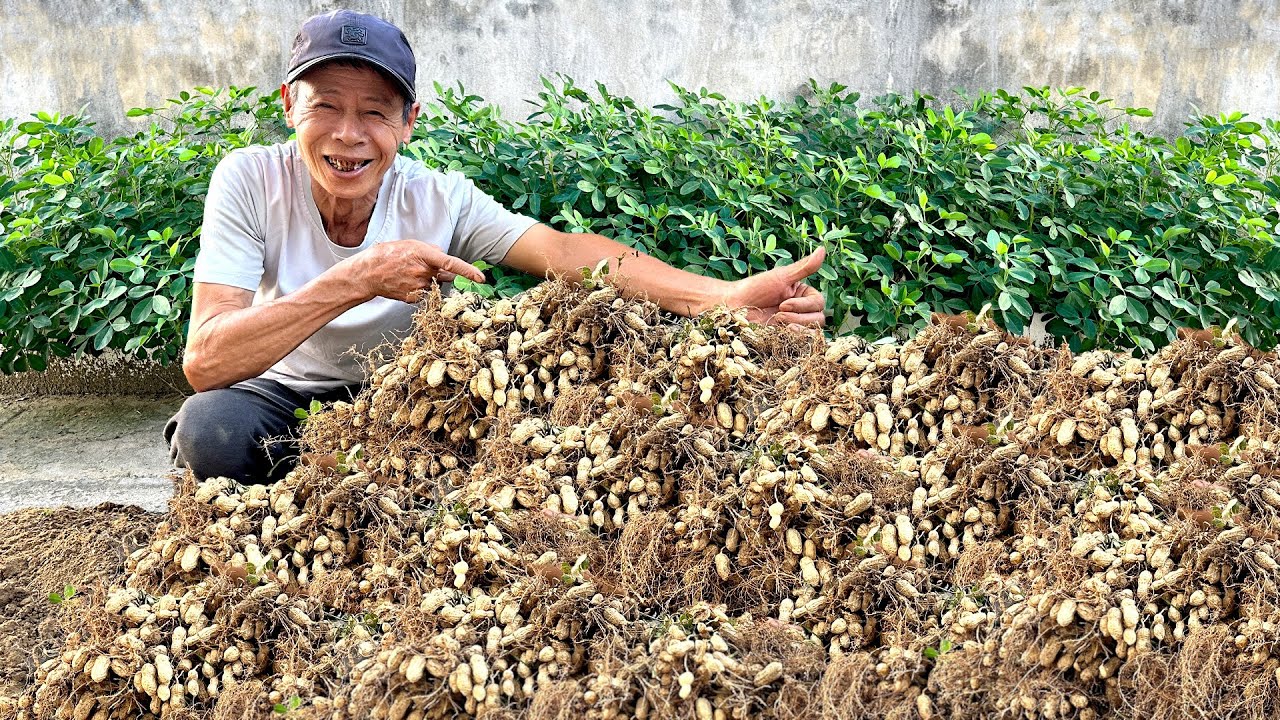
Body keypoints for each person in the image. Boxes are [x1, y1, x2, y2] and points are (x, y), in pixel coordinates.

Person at [165, 9, 827, 483]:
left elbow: (571, 255)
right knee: (210, 432)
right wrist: (358, 277)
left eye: (374, 111)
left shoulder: (437, 198)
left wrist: (724, 299)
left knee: (531, 444)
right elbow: (205, 359)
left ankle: (360, 481)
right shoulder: (250, 179)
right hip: (280, 395)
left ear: (408, 122)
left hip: (407, 403)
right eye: (325, 106)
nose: (348, 134)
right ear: (288, 105)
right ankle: (332, 479)